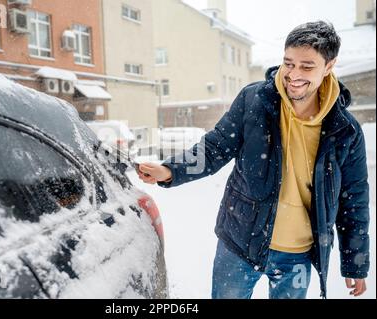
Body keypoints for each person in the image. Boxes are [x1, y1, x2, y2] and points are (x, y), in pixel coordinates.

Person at [136, 21, 370, 299]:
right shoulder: (255, 100)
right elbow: (215, 147)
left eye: (307, 66)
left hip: (299, 256)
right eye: (288, 63)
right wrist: (170, 170)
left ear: (329, 66)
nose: (293, 74)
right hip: (241, 242)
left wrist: (355, 263)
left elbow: (353, 198)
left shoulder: (345, 129)